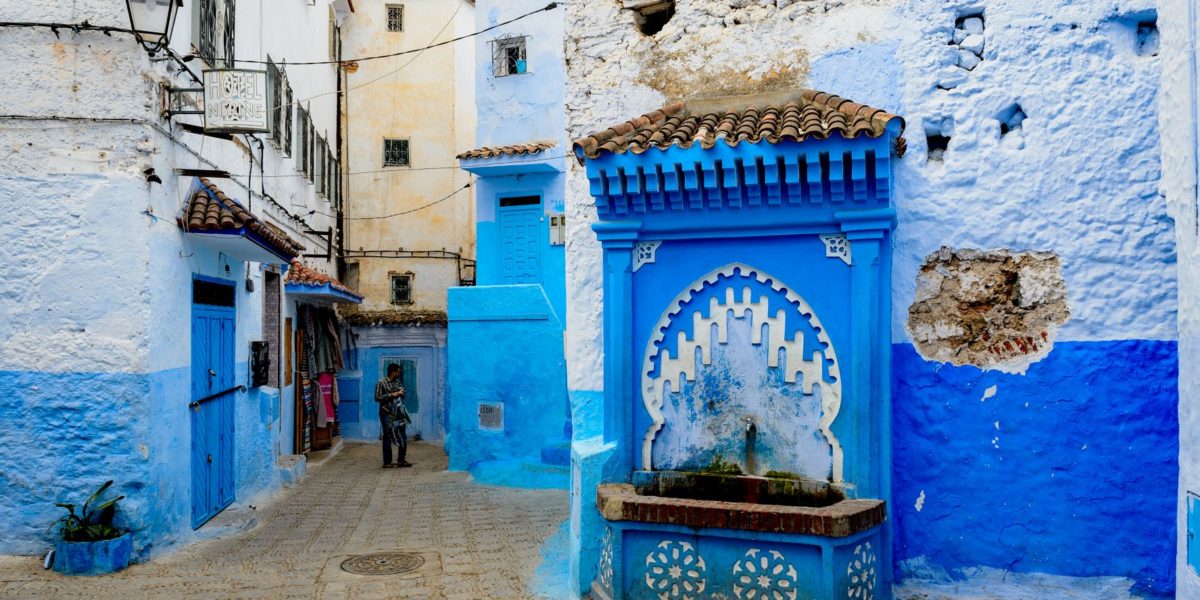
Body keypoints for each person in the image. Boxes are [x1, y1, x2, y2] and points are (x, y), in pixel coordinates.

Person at [374, 363, 413, 468]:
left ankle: (401, 460)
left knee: (402, 436)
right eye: (398, 372)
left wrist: (401, 393)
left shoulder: (397, 382)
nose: (399, 374)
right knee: (387, 436)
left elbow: (402, 395)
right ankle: (387, 462)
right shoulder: (381, 383)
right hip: (386, 413)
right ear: (393, 372)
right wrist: (392, 395)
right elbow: (377, 397)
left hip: (398, 413)